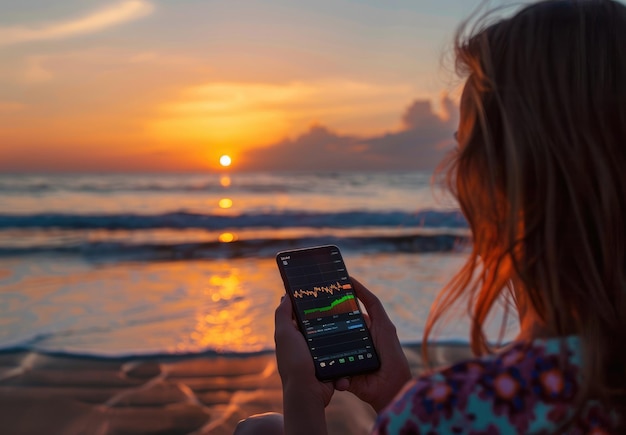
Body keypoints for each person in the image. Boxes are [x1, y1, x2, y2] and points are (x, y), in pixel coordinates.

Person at [235, 0, 626, 433]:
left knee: (260, 430)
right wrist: (394, 393)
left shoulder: (456, 409)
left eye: (465, 148)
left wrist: (302, 395)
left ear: (501, 184)